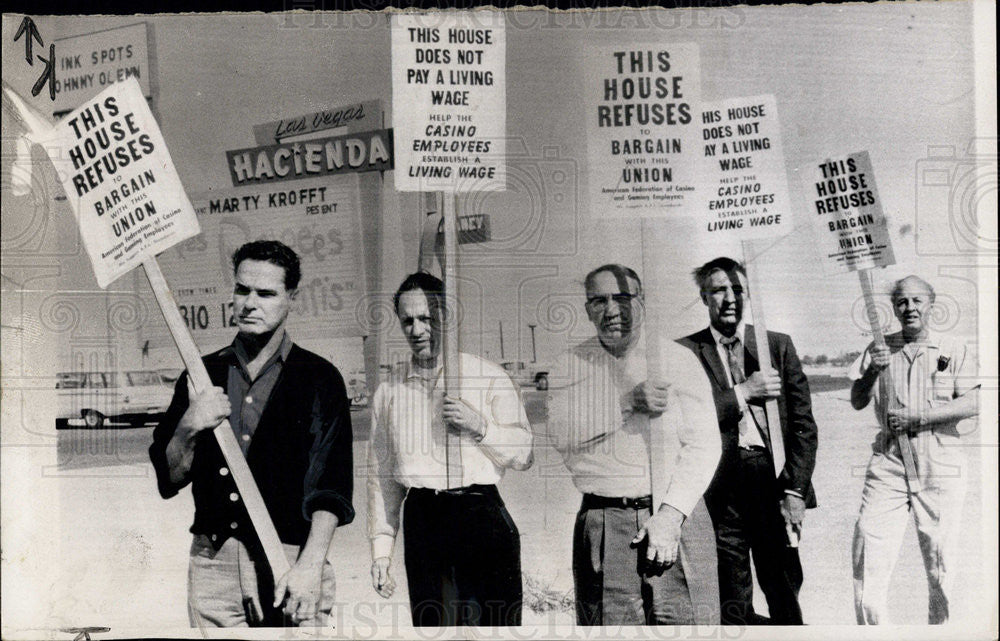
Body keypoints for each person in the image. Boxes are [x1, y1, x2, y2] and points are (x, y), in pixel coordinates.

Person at [149, 240, 354, 627]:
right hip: (214, 566)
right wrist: (190, 424)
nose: (250, 303)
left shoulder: (319, 377)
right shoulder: (200, 375)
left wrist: (309, 566)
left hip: (291, 561)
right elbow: (169, 477)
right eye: (242, 290)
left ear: (292, 297)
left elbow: (332, 484)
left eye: (266, 293)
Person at [542, 263, 722, 625]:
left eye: (622, 297)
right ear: (587, 308)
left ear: (642, 301)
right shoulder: (569, 367)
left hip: (677, 518)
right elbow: (562, 434)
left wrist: (671, 515)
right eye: (599, 301)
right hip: (606, 521)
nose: (611, 310)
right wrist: (625, 404)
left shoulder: (676, 359)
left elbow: (704, 446)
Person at [366, 272, 533, 626]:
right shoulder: (389, 391)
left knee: (494, 632)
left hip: (481, 516)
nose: (417, 330)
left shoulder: (486, 376)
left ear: (447, 317)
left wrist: (480, 427)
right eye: (407, 320)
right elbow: (382, 480)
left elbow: (524, 455)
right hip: (424, 522)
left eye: (427, 318)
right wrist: (382, 551)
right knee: (435, 632)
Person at [677, 256, 818, 625]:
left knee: (784, 590)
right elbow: (685, 419)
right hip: (720, 489)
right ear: (704, 298)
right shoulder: (686, 352)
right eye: (719, 290)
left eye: (737, 289)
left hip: (773, 484)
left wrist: (795, 492)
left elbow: (804, 426)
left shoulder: (776, 346)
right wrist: (742, 391)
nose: (730, 298)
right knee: (732, 599)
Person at [849, 275, 979, 625]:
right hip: (889, 459)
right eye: (903, 302)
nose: (910, 308)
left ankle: (942, 630)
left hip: (939, 458)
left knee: (941, 562)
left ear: (931, 306)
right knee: (867, 549)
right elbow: (857, 400)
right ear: (893, 307)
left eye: (917, 301)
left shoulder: (954, 348)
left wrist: (921, 417)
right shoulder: (879, 348)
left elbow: (974, 401)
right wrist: (872, 371)